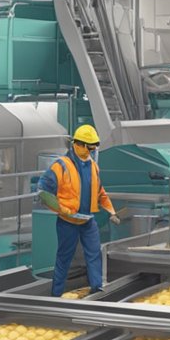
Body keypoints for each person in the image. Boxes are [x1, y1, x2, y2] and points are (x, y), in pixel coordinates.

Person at [39, 124, 121, 297]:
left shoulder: (93, 166)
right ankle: (56, 295)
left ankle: (97, 290)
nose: (90, 152)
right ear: (78, 144)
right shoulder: (61, 166)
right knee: (64, 258)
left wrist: (111, 211)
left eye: (93, 148)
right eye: (88, 148)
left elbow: (100, 192)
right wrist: (61, 209)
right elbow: (43, 191)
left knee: (94, 254)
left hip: (87, 221)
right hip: (68, 222)